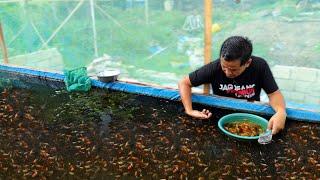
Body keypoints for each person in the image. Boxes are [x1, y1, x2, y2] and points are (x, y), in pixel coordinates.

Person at [178, 36, 286, 135]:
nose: (227, 72)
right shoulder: (214, 68)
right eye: (224, 66)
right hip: (222, 114)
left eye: (233, 69)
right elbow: (184, 83)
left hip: (250, 113)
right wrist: (189, 110)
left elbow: (274, 94)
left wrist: (281, 112)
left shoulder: (260, 66)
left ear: (247, 63)